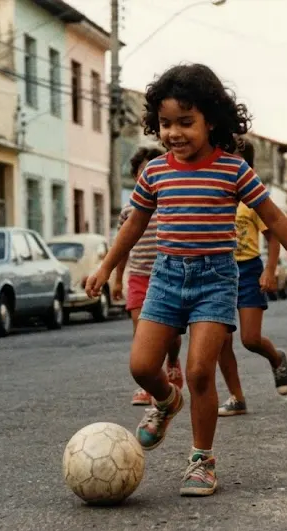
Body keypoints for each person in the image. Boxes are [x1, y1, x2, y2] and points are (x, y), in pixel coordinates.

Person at [84, 63, 287, 497]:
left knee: (200, 371)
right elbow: (134, 224)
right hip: (165, 276)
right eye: (165, 123)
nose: (174, 133)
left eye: (186, 122)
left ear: (211, 120)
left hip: (215, 279)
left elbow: (275, 218)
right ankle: (166, 401)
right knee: (141, 366)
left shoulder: (233, 170)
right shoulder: (155, 172)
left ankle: (201, 459)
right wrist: (105, 267)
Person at [216, 140, 287, 418]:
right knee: (221, 341)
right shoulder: (215, 194)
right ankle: (237, 397)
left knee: (250, 339)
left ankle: (276, 358)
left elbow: (273, 236)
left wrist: (269, 270)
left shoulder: (252, 198)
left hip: (249, 269)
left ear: (247, 166)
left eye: (234, 160)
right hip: (219, 270)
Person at [112, 147, 184, 405]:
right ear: (136, 176)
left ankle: (172, 361)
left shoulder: (170, 206)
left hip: (168, 276)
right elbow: (122, 247)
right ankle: (150, 384)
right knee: (140, 329)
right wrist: (117, 279)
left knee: (171, 334)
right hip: (140, 277)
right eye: (144, 172)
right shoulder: (128, 211)